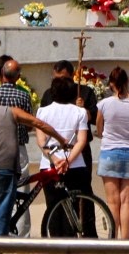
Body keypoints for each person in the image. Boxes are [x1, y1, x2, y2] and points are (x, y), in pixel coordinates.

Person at [0, 83, 67, 236]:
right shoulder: (10, 112)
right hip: (6, 168)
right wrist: (61, 139)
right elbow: (38, 123)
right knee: (1, 213)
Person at [34, 76, 90, 235]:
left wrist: (55, 159)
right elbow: (82, 140)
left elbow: (40, 140)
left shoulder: (43, 111)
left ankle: (54, 244)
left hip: (49, 165)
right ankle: (69, 244)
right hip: (75, 165)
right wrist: (68, 160)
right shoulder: (80, 112)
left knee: (52, 207)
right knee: (72, 209)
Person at [95, 66, 129, 238]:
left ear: (111, 83)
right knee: (127, 201)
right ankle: (126, 238)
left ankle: (112, 238)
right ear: (127, 82)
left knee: (112, 201)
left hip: (110, 151)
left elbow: (99, 129)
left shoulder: (104, 104)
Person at [0, 56, 35, 236]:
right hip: (18, 149)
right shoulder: (23, 95)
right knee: (22, 194)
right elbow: (30, 125)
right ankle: (21, 237)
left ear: (1, 74)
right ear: (18, 77)